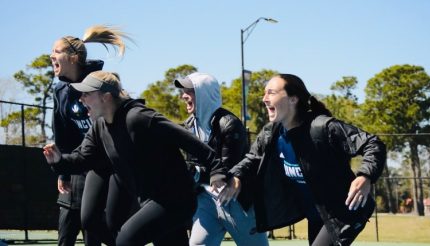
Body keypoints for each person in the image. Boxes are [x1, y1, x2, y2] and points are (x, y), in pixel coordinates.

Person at [44, 71, 225, 245]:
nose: (81, 100)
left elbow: (188, 140)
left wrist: (217, 170)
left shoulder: (138, 118)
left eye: (87, 94)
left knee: (126, 240)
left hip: (174, 199)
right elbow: (82, 159)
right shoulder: (99, 127)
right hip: (147, 199)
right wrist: (59, 161)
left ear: (105, 97)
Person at [218, 74, 387, 246]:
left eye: (271, 93)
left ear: (293, 99)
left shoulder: (322, 128)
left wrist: (365, 176)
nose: (264, 98)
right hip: (316, 215)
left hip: (346, 210)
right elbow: (253, 158)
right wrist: (237, 175)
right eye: (264, 93)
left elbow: (372, 143)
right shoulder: (272, 133)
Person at [50, 25, 129, 246]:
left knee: (93, 227)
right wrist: (63, 170)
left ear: (74, 58)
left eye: (57, 51)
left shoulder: (100, 82)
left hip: (104, 166)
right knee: (66, 231)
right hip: (77, 164)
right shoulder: (60, 91)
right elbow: (62, 133)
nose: (51, 55)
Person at [174, 73, 269, 246]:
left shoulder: (229, 123)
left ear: (205, 93)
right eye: (184, 91)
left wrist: (190, 173)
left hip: (236, 201)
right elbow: (193, 165)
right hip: (206, 201)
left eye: (190, 91)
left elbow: (225, 171)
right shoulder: (189, 125)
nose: (184, 95)